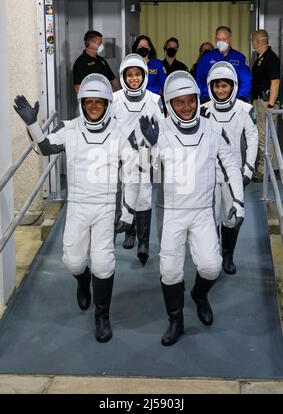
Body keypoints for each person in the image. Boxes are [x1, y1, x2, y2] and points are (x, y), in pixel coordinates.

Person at [14, 74, 139, 344]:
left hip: (106, 206)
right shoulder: (69, 128)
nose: (94, 107)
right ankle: (83, 282)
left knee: (104, 263)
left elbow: (132, 173)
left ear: (108, 104)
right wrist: (33, 124)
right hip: (78, 206)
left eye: (99, 102)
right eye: (89, 102)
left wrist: (128, 211)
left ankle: (102, 315)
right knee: (73, 261)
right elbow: (45, 147)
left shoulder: (119, 133)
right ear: (81, 103)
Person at [139, 71, 244, 346]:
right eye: (179, 102)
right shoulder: (158, 129)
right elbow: (145, 172)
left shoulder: (212, 130)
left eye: (190, 101)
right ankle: (176, 320)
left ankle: (199, 294)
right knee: (170, 270)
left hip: (201, 211)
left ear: (198, 100)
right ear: (169, 104)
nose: (186, 108)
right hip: (172, 212)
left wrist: (238, 201)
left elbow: (231, 163)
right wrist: (148, 147)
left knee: (211, 267)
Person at [204, 61, 258, 274]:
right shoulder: (203, 110)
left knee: (232, 217)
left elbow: (253, 138)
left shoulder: (245, 109)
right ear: (211, 87)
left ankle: (228, 254)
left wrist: (249, 168)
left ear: (233, 85)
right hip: (208, 174)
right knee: (209, 216)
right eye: (216, 86)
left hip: (233, 174)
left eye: (224, 86)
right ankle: (214, 254)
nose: (220, 90)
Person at [113, 54, 164, 264]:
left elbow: (162, 130)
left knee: (144, 195)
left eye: (137, 74)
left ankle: (143, 241)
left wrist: (156, 155)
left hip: (145, 154)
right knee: (124, 192)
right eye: (129, 75)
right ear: (123, 76)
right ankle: (129, 232)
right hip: (120, 154)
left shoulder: (154, 100)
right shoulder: (114, 99)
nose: (134, 78)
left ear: (144, 76)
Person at [251, 29, 281, 182]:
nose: (252, 43)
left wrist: (270, 105)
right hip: (259, 101)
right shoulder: (260, 58)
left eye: (253, 40)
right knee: (261, 136)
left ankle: (264, 171)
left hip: (265, 102)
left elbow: (275, 82)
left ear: (258, 41)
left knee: (265, 137)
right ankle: (262, 168)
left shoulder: (270, 58)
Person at [196, 26, 252, 103]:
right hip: (209, 100)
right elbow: (199, 80)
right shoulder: (206, 58)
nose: (221, 42)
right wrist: (202, 98)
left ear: (230, 39)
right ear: (215, 39)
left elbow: (246, 80)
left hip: (234, 101)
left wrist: (241, 98)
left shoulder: (239, 58)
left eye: (224, 39)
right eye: (218, 39)